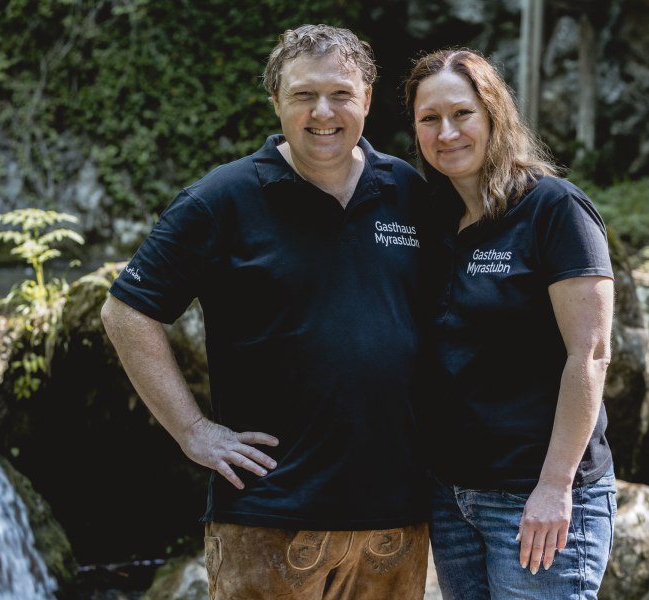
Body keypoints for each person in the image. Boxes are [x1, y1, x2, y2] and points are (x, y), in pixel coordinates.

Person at [101, 24, 432, 600]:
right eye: (303, 95)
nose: (322, 112)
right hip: (267, 516)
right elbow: (126, 311)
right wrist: (193, 431)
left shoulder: (408, 190)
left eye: (340, 94)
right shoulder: (221, 200)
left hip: (396, 519)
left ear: (368, 100)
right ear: (276, 100)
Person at [403, 48, 617, 599]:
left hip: (535, 499)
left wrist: (554, 486)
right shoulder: (431, 219)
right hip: (453, 499)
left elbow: (589, 354)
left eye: (462, 114)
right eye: (430, 119)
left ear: (495, 113)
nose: (446, 132)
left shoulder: (554, 209)